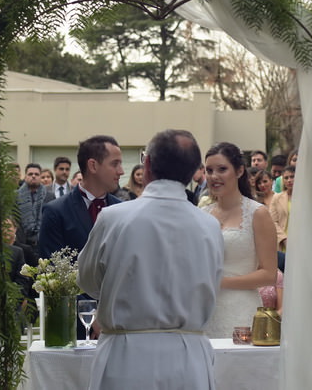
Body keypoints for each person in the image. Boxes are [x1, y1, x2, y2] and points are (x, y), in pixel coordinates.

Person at [77, 129, 224, 390]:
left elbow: (88, 282)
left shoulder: (114, 218)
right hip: (188, 360)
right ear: (193, 173)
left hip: (126, 360)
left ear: (147, 165)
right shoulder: (209, 225)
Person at [200, 141, 278, 338]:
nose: (214, 176)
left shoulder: (258, 213)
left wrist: (220, 282)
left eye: (222, 169)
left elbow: (269, 274)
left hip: (240, 311)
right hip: (205, 310)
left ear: (239, 171)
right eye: (209, 170)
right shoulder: (202, 214)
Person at [38, 135, 124, 258]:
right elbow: (50, 266)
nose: (121, 171)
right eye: (115, 164)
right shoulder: (56, 212)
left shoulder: (121, 209)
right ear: (93, 166)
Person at [14, 164, 53, 263]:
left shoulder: (50, 196)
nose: (33, 176)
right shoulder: (15, 196)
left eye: (36, 174)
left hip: (42, 243)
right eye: (30, 174)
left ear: (40, 176)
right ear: (25, 176)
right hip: (23, 244)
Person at [268, 164, 294, 251]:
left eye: (292, 177)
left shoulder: (305, 197)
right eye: (286, 178)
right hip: (283, 242)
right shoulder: (277, 198)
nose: (289, 180)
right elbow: (272, 221)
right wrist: (284, 239)